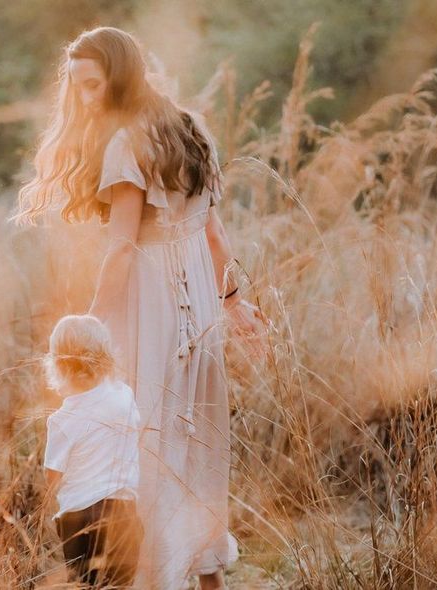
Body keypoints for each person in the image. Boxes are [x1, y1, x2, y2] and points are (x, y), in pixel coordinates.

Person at [17, 26, 268, 590]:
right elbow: (214, 236)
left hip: (151, 305)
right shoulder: (191, 129)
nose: (83, 98)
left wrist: (92, 325)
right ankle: (206, 577)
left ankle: (156, 577)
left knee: (146, 441)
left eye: (91, 85)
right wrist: (234, 305)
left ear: (121, 78)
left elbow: (123, 247)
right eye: (77, 87)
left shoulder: (127, 143)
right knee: (196, 437)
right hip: (198, 307)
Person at [42, 314, 143, 588]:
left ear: (58, 366)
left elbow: (52, 479)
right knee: (119, 585)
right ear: (105, 357)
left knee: (85, 585)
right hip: (123, 514)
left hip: (78, 522)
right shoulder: (124, 397)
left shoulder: (62, 421)